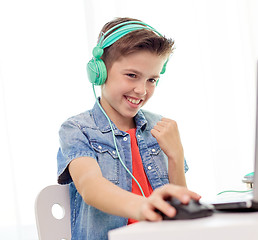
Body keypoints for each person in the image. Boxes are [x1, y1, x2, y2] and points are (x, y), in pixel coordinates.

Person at [57, 17, 200, 239]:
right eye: (132, 75)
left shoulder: (159, 126)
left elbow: (179, 207)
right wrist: (143, 207)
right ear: (100, 72)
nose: (142, 90)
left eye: (152, 80)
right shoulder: (77, 129)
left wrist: (176, 156)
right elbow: (90, 187)